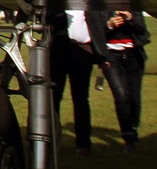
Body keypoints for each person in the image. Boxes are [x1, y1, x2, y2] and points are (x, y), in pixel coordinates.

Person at [91, 9, 150, 153]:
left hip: (133, 57)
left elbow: (143, 32)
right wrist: (109, 25)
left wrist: (131, 20)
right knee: (121, 96)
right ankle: (127, 136)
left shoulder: (132, 6)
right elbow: (94, 34)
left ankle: (133, 128)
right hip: (112, 58)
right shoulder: (99, 7)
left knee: (134, 98)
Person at [51, 9, 108, 157]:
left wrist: (101, 55)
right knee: (54, 98)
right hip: (59, 51)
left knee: (81, 99)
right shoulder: (58, 3)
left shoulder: (88, 3)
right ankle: (50, 140)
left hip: (82, 52)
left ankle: (83, 144)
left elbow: (98, 25)